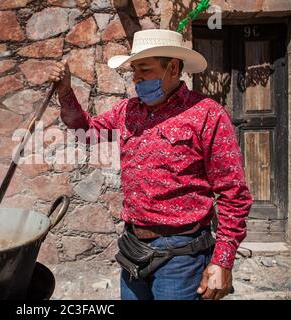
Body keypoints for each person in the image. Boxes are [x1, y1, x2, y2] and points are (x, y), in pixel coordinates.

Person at [49, 29, 253, 300]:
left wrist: (222, 261)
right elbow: (86, 132)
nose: (136, 79)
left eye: (144, 69)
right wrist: (65, 93)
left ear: (173, 68)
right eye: (134, 70)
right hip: (133, 249)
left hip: (182, 257)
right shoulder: (127, 111)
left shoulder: (207, 114)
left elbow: (233, 193)